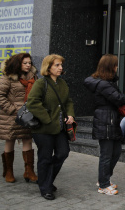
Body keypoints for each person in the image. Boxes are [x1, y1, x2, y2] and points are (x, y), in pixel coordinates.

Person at [26, 54, 75, 200]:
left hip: (59, 128)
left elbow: (68, 102)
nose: (60, 68)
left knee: (62, 153)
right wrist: (47, 119)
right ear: (48, 67)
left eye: (61, 65)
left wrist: (70, 115)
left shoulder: (62, 83)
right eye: (57, 65)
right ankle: (45, 188)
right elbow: (32, 103)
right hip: (43, 128)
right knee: (45, 158)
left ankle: (45, 180)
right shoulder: (41, 84)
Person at [84, 54, 125, 196]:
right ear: (110, 67)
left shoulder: (106, 82)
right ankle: (103, 185)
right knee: (107, 154)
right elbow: (119, 99)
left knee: (116, 151)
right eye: (115, 65)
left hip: (110, 120)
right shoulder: (103, 84)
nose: (117, 67)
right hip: (106, 120)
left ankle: (104, 179)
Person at [0, 53, 38, 183]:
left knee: (28, 140)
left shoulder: (32, 76)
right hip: (11, 117)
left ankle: (29, 171)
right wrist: (13, 109)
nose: (28, 65)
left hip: (28, 115)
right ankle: (8, 171)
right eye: (25, 63)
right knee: (10, 141)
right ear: (17, 64)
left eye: (29, 62)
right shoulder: (8, 77)